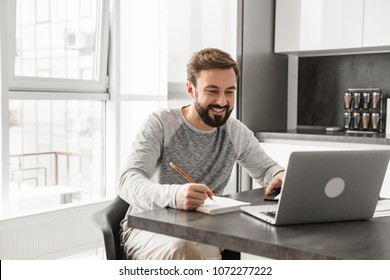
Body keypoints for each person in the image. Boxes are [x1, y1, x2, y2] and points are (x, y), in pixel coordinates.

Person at [119, 48, 285, 260]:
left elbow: (267, 170)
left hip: (203, 230)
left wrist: (279, 174)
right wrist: (175, 196)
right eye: (212, 91)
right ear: (191, 89)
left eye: (230, 91)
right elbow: (128, 181)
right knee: (181, 249)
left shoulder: (235, 131)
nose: (222, 102)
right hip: (148, 227)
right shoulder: (161, 124)